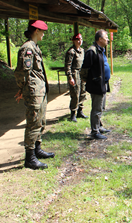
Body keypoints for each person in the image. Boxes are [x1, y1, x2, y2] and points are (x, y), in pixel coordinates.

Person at [14, 20, 55, 170]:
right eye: (42, 31)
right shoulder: (27, 48)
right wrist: (22, 89)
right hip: (33, 92)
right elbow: (21, 72)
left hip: (40, 91)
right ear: (36, 31)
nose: (44, 34)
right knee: (33, 123)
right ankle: (29, 157)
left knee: (40, 121)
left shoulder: (35, 47)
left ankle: (37, 149)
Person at [81, 30, 111, 140]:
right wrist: (90, 81)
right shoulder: (92, 51)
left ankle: (99, 126)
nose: (108, 39)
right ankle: (95, 131)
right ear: (100, 39)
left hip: (103, 83)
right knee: (96, 109)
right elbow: (84, 69)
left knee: (101, 107)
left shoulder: (101, 50)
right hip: (96, 84)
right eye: (106, 37)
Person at [65, 33, 88, 122]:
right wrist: (70, 77)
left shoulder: (82, 51)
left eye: (81, 39)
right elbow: (67, 66)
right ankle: (73, 113)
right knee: (75, 93)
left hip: (81, 73)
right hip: (74, 73)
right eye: (78, 39)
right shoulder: (71, 52)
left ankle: (80, 111)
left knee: (83, 92)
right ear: (74, 41)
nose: (79, 41)